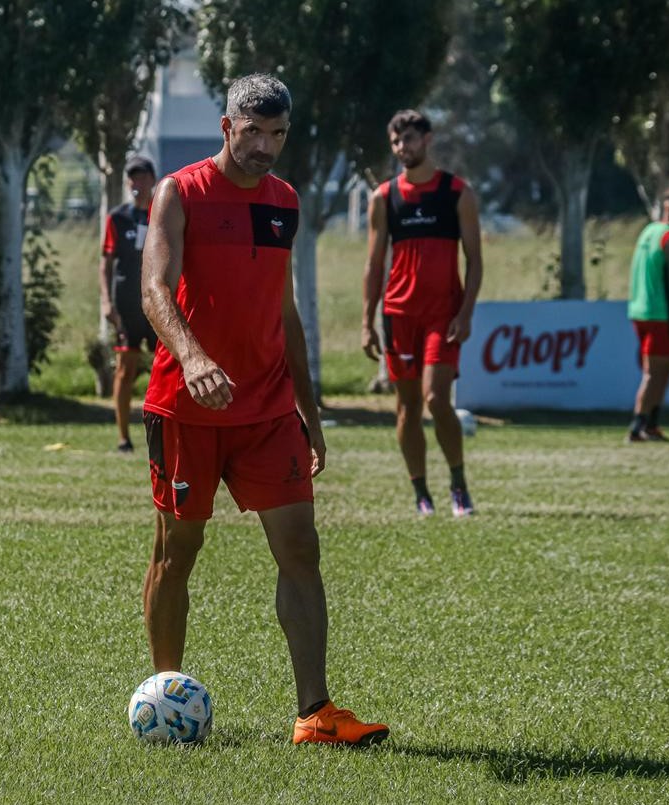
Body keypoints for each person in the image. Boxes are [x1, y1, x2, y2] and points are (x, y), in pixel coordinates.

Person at [140, 73, 389, 745]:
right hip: (185, 407)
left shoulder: (284, 201)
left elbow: (284, 311)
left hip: (269, 408)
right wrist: (193, 359)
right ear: (226, 127)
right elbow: (154, 289)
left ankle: (316, 712)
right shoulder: (180, 192)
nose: (265, 147)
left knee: (301, 548)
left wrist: (309, 407)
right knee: (178, 549)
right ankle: (168, 696)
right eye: (253, 132)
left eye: (277, 134)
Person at [361, 110, 484, 517]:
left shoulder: (456, 192)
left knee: (437, 398)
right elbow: (375, 263)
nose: (402, 148)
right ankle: (421, 493)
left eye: (409, 139)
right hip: (398, 316)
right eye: (396, 142)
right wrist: (367, 321)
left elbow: (475, 260)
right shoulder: (383, 197)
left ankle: (459, 484)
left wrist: (465, 313)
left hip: (442, 316)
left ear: (427, 139)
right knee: (407, 407)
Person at [626, 187, 669, 443]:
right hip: (660, 313)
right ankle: (638, 426)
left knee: (664, 368)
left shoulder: (649, 231)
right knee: (655, 371)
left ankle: (651, 424)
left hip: (640, 309)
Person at [99, 156, 158, 453]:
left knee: (166, 367)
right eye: (133, 178)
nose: (138, 183)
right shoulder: (117, 218)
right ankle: (123, 438)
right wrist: (107, 302)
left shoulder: (163, 213)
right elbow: (106, 265)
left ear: (153, 180)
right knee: (125, 368)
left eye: (143, 177)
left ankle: (166, 432)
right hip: (127, 302)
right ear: (127, 183)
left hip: (158, 302)